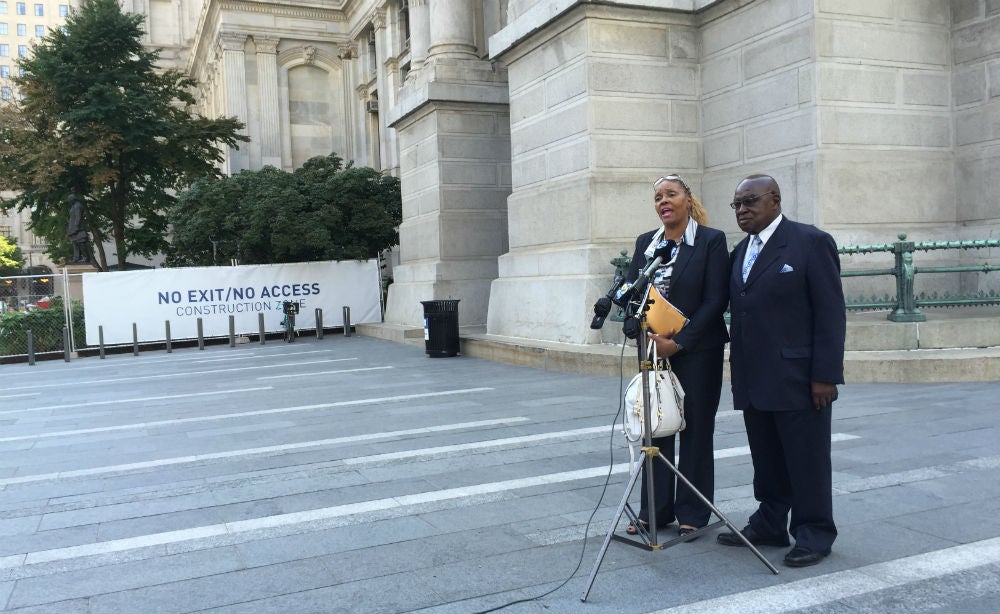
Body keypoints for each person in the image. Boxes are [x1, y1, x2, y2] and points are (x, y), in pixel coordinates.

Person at [718, 174, 846, 567]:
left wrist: (825, 374)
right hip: (754, 378)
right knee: (767, 458)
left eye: (750, 201)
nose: (742, 210)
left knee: (806, 459)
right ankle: (770, 522)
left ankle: (814, 532)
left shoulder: (810, 242)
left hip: (800, 380)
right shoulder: (740, 252)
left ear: (774, 199)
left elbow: (830, 313)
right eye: (737, 205)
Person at [622, 174, 730, 538]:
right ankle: (654, 511)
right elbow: (635, 292)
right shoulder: (645, 243)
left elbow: (716, 299)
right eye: (657, 197)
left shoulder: (710, 241)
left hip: (697, 350)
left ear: (687, 199)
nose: (663, 201)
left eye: (671, 194)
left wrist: (679, 341)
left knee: (696, 429)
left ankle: (694, 511)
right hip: (652, 348)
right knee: (656, 428)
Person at [66, 194, 90, 264]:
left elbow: (78, 217)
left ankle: (85, 258)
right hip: (74, 229)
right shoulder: (74, 206)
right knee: (75, 243)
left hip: (78, 229)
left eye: (70, 200)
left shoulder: (77, 206)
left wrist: (76, 227)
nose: (69, 202)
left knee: (81, 243)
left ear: (72, 200)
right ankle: (76, 258)